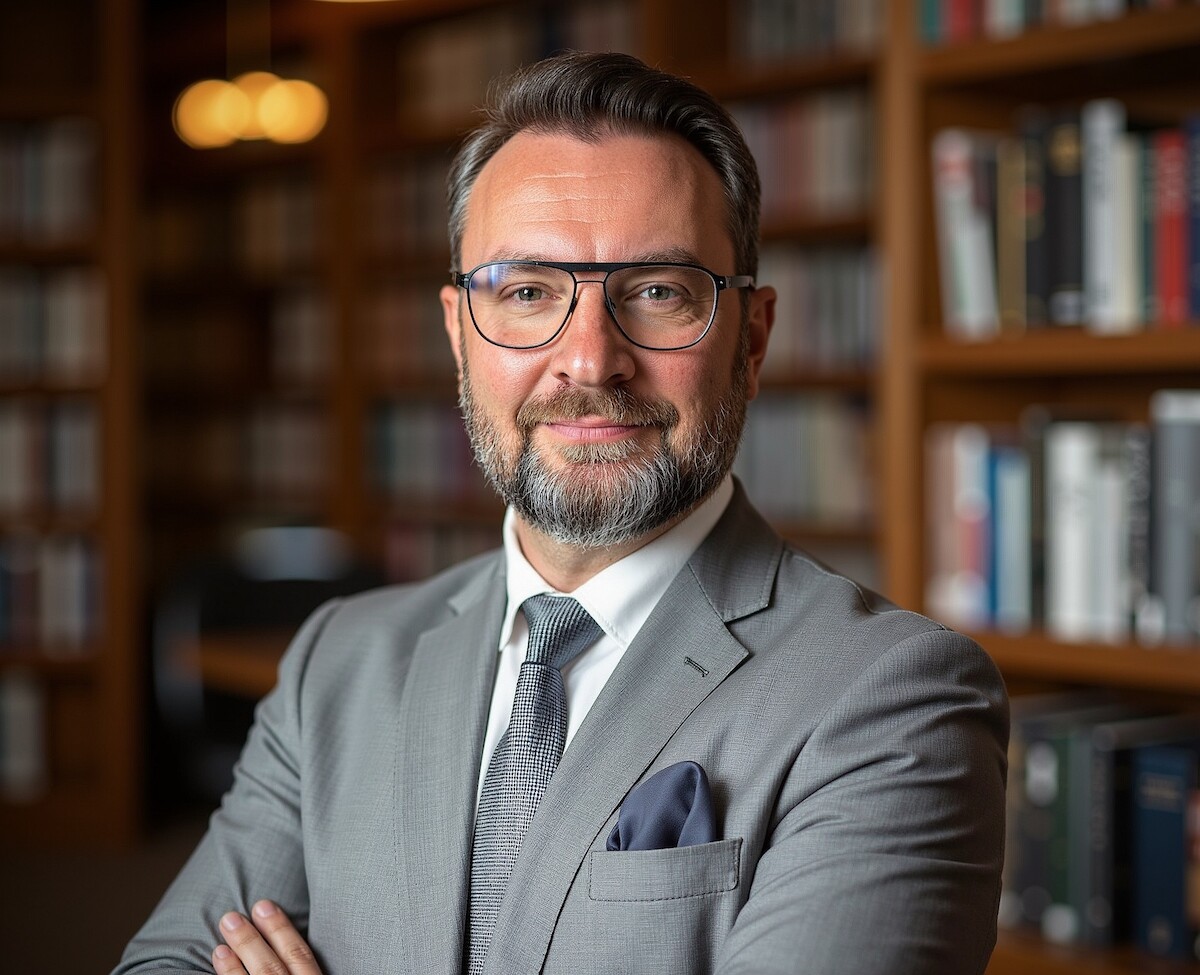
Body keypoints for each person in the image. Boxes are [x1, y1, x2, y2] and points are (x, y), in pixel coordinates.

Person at [115, 51, 1008, 975]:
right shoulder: (333, 665)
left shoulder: (896, 701)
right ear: (459, 334)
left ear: (752, 340)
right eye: (528, 291)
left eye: (659, 292)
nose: (588, 359)